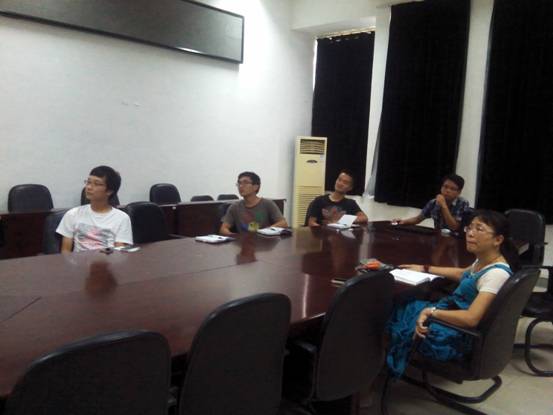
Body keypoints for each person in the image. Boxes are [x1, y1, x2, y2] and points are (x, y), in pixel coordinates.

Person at [385, 210, 520, 378]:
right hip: (450, 314)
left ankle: (379, 367)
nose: (470, 233)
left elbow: (471, 319)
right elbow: (462, 273)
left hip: (454, 334)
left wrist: (431, 312)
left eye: (479, 229)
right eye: (469, 227)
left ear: (498, 240)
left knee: (395, 310)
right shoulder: (485, 260)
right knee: (403, 304)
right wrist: (425, 268)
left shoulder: (496, 274)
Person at [57, 166, 133, 252]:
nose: (89, 187)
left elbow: (119, 253)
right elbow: (65, 252)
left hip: (108, 259)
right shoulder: (73, 214)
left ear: (109, 191)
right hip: (79, 260)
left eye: (97, 184)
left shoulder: (122, 218)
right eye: (88, 182)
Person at [393, 174, 469, 231]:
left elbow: (454, 227)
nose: (447, 190)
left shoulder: (462, 203)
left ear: (459, 192)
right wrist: (403, 221)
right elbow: (418, 219)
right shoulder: (433, 202)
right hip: (438, 236)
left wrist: (444, 206)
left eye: (452, 189)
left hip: (456, 239)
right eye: (445, 187)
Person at [220, 171, 288, 235]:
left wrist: (264, 231)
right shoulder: (235, 207)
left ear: (256, 187)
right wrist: (236, 237)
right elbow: (223, 229)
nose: (241, 186)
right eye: (239, 183)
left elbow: (283, 223)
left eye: (245, 183)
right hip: (243, 242)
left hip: (264, 241)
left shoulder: (267, 204)